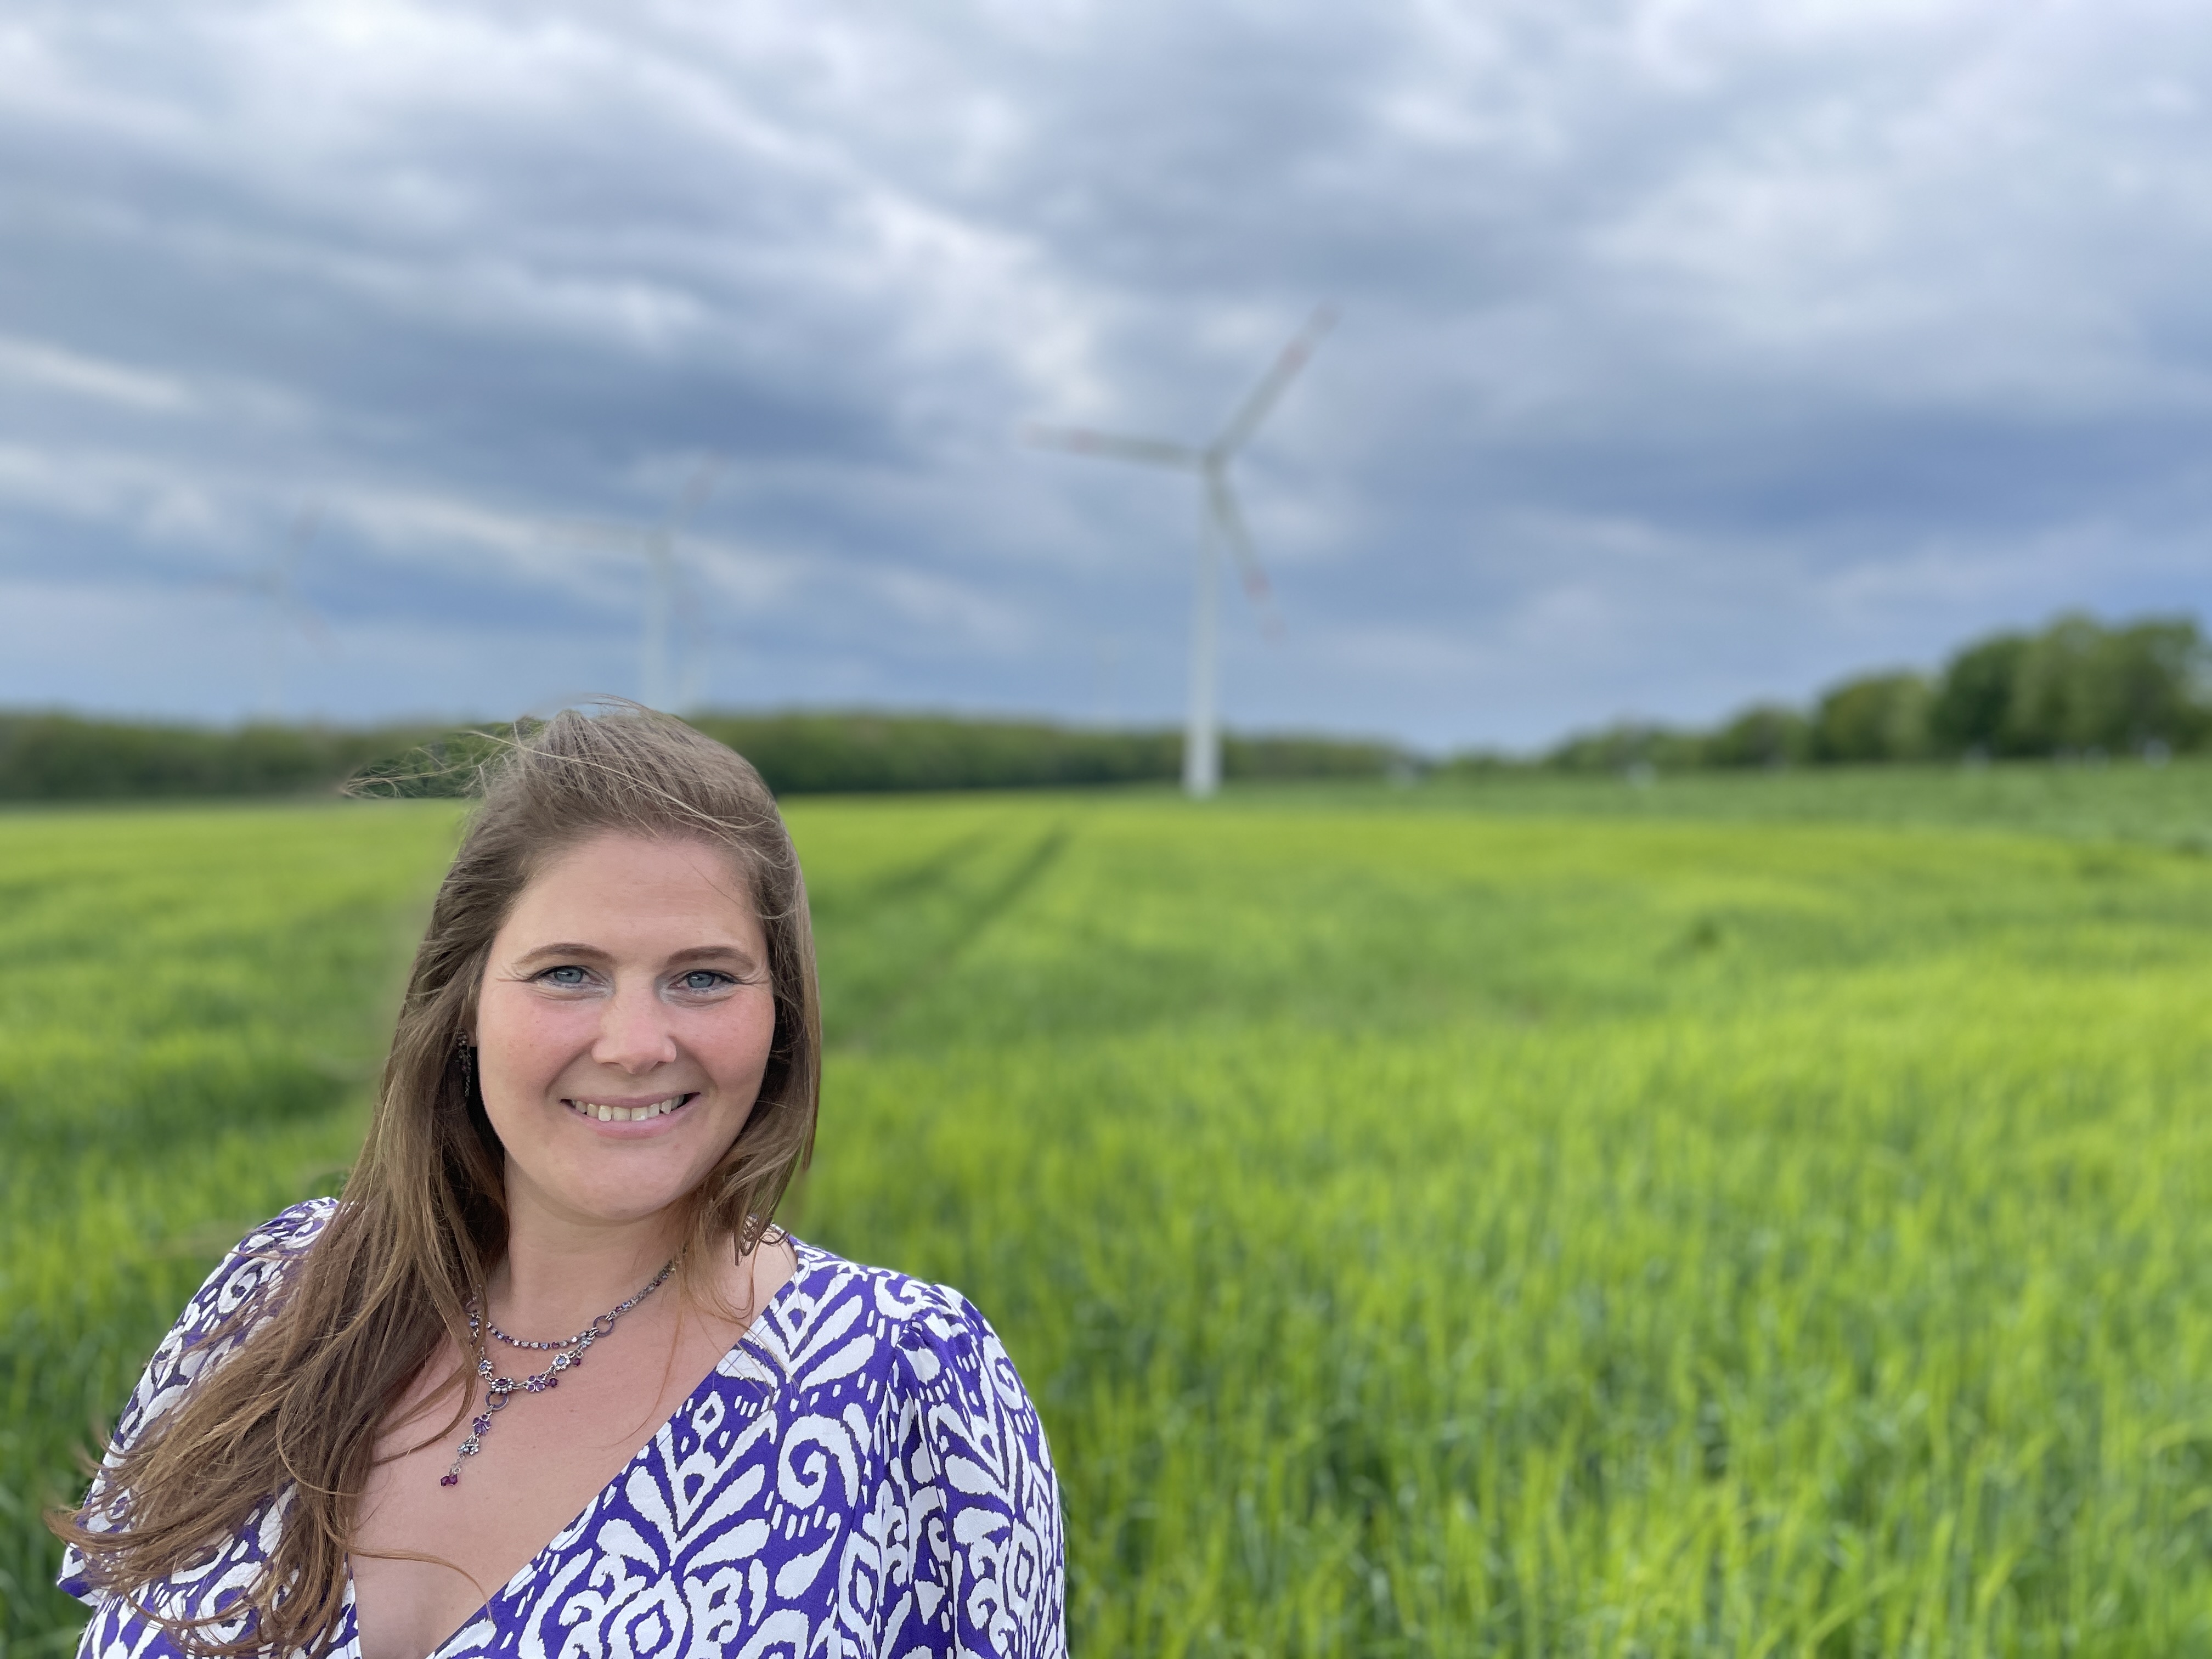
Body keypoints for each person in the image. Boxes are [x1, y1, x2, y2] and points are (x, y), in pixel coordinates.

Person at [53, 709, 1066, 1659]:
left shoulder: (914, 1385)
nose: (634, 1046)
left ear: (781, 1019)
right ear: (464, 1005)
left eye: (704, 976)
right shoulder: (269, 1296)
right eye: (567, 973)